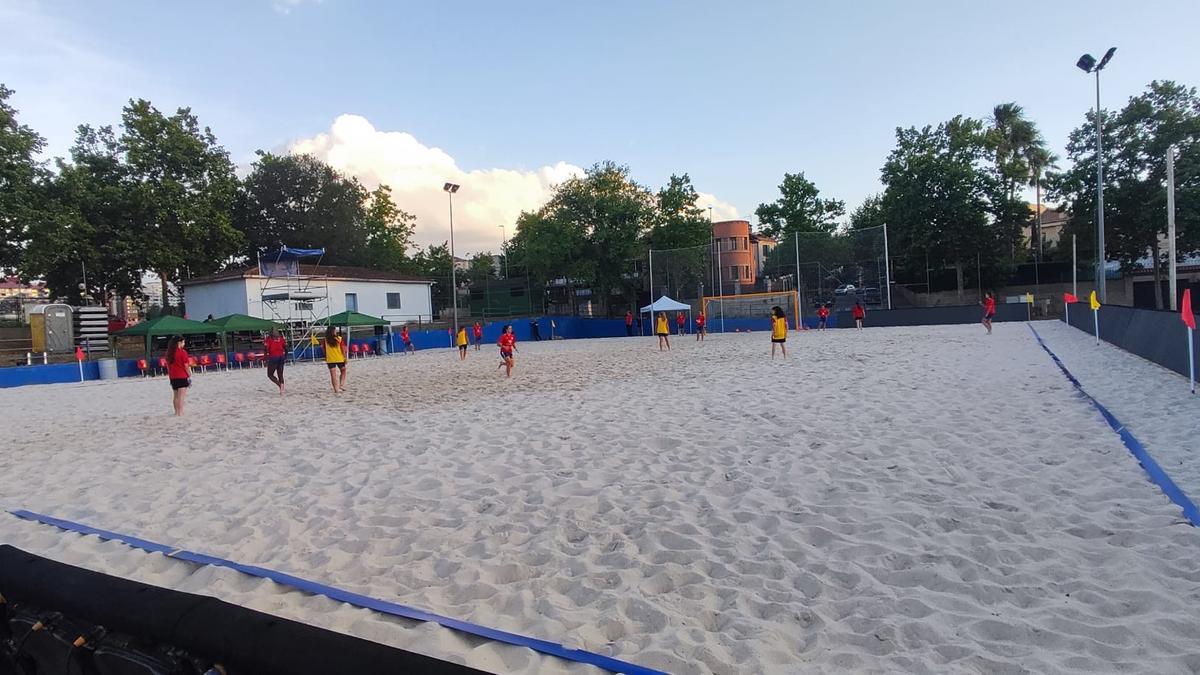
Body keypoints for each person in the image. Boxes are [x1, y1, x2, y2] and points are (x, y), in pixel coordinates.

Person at [165, 334, 190, 416]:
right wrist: (189, 374)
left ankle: (176, 412)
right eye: (183, 342)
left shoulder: (169, 353)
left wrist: (170, 376)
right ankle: (180, 412)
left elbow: (168, 367)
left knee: (175, 395)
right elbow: (186, 365)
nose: (184, 344)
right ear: (179, 343)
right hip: (182, 376)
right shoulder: (182, 352)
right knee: (181, 396)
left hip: (173, 376)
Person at [324, 325, 347, 393]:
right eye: (335, 330)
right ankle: (341, 385)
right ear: (332, 331)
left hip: (330, 359)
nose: (336, 331)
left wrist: (326, 357)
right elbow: (343, 349)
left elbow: (324, 350)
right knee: (343, 370)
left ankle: (336, 389)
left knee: (333, 375)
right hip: (339, 358)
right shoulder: (339, 339)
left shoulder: (325, 340)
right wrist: (345, 357)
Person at [264, 327, 287, 395]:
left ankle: (279, 385)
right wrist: (285, 356)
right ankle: (282, 390)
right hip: (281, 356)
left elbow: (266, 349)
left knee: (270, 374)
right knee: (280, 374)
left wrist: (265, 359)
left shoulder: (269, 339)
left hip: (273, 357)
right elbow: (286, 348)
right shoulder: (281, 338)